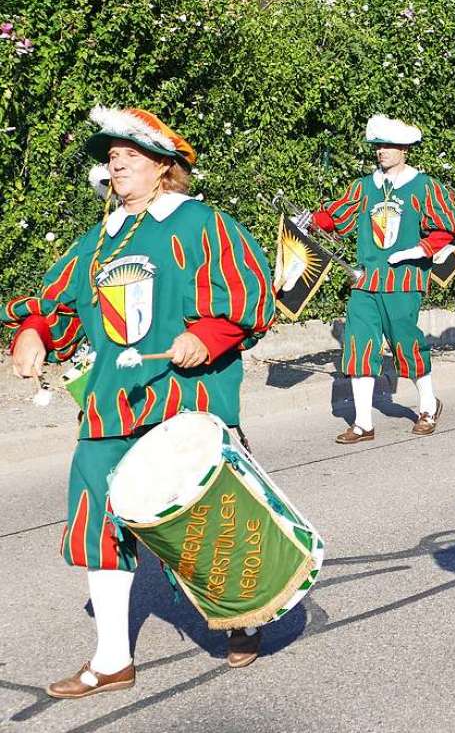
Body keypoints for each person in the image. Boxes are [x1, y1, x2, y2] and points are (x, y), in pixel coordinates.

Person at [5, 106, 277, 697]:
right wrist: (33, 332)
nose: (117, 162)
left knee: (205, 524)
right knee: (99, 522)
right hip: (108, 406)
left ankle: (243, 614)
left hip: (184, 402)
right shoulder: (96, 241)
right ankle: (111, 660)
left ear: (163, 167)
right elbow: (59, 306)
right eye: (111, 156)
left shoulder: (199, 222)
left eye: (130, 154)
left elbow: (249, 295)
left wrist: (204, 336)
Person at [310, 115, 455, 443]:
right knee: (358, 346)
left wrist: (416, 251)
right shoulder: (364, 186)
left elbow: (449, 227)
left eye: (388, 145)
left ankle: (427, 405)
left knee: (405, 344)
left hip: (404, 281)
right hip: (366, 281)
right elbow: (337, 216)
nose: (381, 151)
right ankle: (363, 423)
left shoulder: (424, 186)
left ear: (405, 148)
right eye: (378, 145)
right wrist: (310, 220)